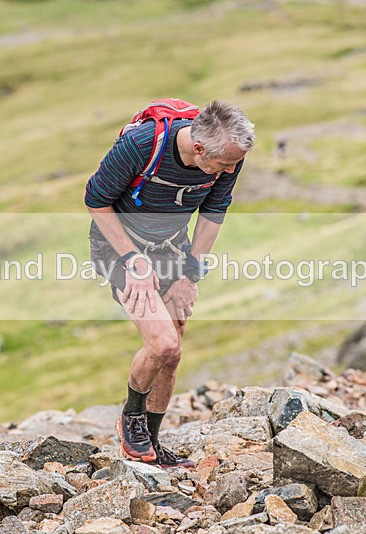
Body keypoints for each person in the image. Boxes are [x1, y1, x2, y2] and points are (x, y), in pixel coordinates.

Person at [85, 100, 255, 468]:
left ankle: (153, 444)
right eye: (225, 163)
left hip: (171, 248)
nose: (230, 169)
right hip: (118, 247)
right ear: (198, 148)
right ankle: (131, 418)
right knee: (161, 343)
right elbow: (96, 201)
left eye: (234, 163)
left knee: (174, 352)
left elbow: (215, 209)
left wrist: (188, 274)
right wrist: (133, 262)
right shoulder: (141, 147)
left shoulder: (228, 156)